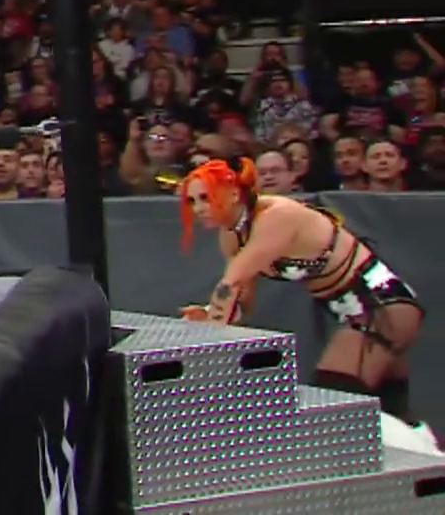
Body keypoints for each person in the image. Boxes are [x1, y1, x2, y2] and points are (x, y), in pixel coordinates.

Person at [178, 158, 425, 425]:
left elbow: (230, 283)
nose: (199, 208)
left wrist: (211, 332)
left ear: (234, 194)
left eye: (206, 197)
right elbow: (241, 301)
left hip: (384, 306)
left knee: (330, 406)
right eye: (192, 201)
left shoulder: (277, 215)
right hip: (352, 315)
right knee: (391, 417)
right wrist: (210, 313)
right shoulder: (232, 235)